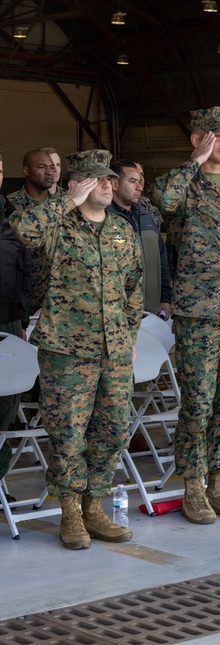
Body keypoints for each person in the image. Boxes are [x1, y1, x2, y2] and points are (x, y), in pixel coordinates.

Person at [11, 149, 143, 549]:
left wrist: (130, 336)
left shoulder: (122, 229)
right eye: (97, 178)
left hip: (114, 349)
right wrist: (65, 201)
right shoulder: (56, 225)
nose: (107, 184)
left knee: (113, 431)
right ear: (76, 184)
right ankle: (70, 511)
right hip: (67, 350)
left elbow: (134, 288)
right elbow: (23, 229)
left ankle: (94, 507)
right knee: (69, 434)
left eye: (109, 178)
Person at [153, 106, 220, 524]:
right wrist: (193, 162)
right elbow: (164, 201)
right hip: (199, 313)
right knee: (198, 405)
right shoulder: (183, 185)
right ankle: (193, 489)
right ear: (197, 140)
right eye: (216, 136)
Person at [0, 153, 32, 500]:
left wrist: (22, 320)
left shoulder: (14, 216)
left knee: (6, 404)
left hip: (7, 319)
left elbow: (25, 273)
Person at [109, 160, 172, 318]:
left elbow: (161, 260)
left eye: (139, 181)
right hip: (120, 315)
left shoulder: (146, 217)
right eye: (132, 181)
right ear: (114, 184)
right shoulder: (105, 219)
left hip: (152, 312)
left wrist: (165, 299)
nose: (139, 187)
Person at [7, 150, 59, 313]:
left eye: (52, 167)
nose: (49, 172)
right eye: (42, 167)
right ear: (26, 170)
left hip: (59, 299)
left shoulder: (65, 204)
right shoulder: (10, 205)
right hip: (22, 299)